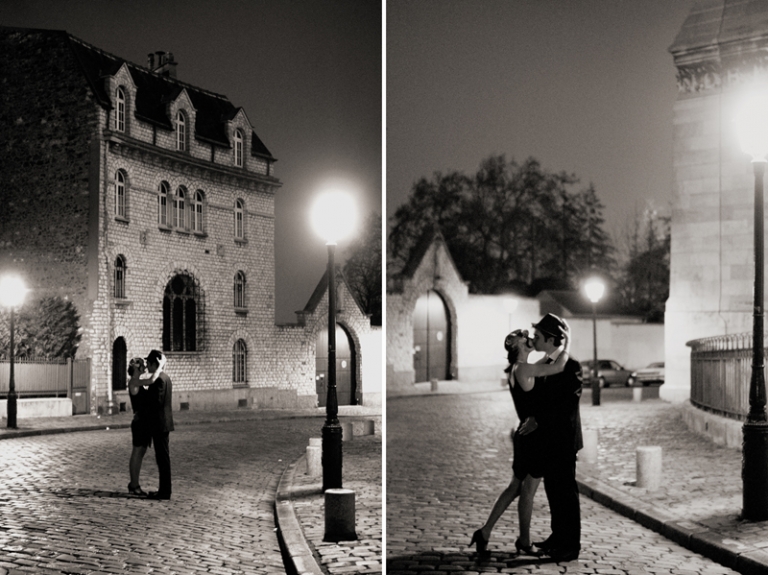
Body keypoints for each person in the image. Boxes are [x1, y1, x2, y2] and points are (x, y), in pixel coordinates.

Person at [470, 324, 571, 557]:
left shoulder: (519, 368)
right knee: (528, 491)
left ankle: (484, 532)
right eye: (522, 336)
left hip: (523, 434)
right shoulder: (523, 369)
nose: (527, 337)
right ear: (513, 345)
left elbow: (546, 364)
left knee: (514, 487)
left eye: (528, 335)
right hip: (533, 438)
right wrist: (568, 341)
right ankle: (524, 541)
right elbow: (559, 366)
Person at [530, 313, 584, 562]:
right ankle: (557, 537)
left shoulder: (571, 365)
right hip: (549, 440)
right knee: (553, 491)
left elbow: (567, 406)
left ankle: (570, 545)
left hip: (562, 440)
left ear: (551, 340)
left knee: (566, 494)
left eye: (538, 335)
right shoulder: (545, 362)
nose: (534, 338)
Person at [144, 349, 174, 500]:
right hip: (164, 423)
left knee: (162, 458)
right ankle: (164, 490)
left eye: (148, 363)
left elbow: (156, 402)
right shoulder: (165, 377)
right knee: (162, 457)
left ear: (153, 363)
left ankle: (164, 491)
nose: (147, 366)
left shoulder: (159, 380)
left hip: (160, 424)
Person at [127, 357, 152, 496]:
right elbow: (151, 380)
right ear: (136, 367)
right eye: (142, 365)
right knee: (137, 453)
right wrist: (160, 368)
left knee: (140, 452)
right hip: (139, 423)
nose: (144, 367)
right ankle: (134, 485)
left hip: (143, 422)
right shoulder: (134, 381)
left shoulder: (137, 382)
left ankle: (134, 483)